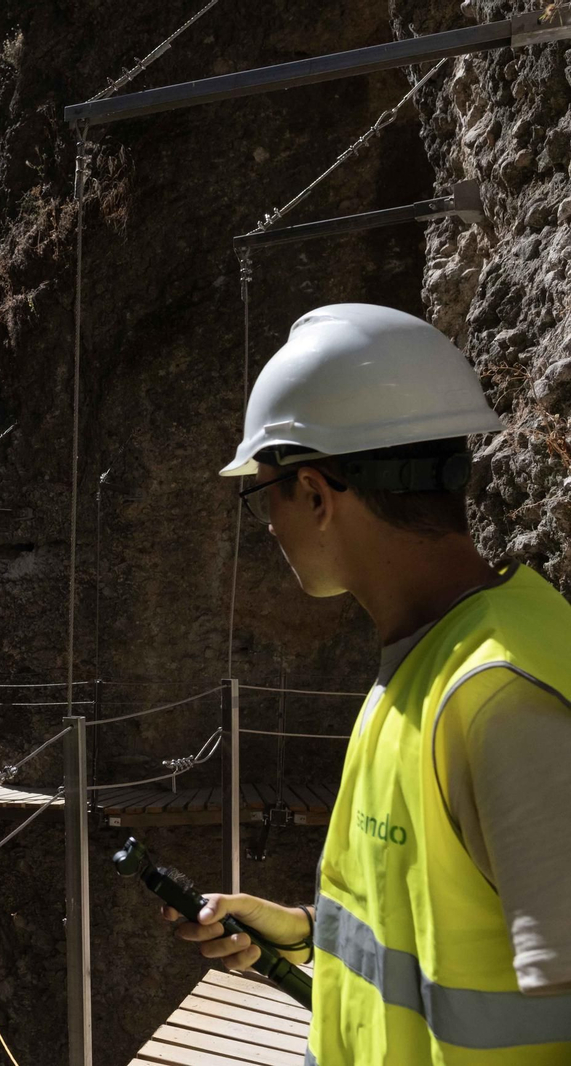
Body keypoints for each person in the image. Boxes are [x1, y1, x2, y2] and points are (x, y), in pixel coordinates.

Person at [165, 304, 571, 1064]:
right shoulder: (431, 666)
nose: (270, 527)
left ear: (316, 494)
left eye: (264, 495)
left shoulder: (499, 702)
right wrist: (310, 931)